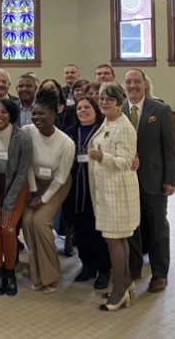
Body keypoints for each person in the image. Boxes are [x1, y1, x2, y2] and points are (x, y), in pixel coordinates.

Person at [122, 68, 175, 293]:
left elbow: (170, 148)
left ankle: (160, 274)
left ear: (145, 84)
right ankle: (134, 267)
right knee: (131, 227)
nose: (133, 86)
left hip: (154, 180)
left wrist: (170, 179)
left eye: (137, 81)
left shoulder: (160, 109)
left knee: (157, 228)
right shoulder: (119, 110)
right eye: (128, 82)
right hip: (127, 180)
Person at [90, 82, 140, 311]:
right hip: (108, 190)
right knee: (119, 239)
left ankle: (119, 291)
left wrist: (103, 158)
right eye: (101, 98)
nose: (103, 102)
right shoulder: (108, 121)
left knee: (114, 240)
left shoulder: (124, 126)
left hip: (119, 191)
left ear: (119, 103)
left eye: (109, 99)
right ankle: (126, 282)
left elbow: (126, 162)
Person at [22, 89, 75, 294]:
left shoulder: (65, 143)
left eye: (42, 114)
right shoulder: (27, 131)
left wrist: (43, 199)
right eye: (34, 113)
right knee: (27, 222)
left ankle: (51, 275)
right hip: (34, 181)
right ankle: (37, 274)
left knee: (40, 222)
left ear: (54, 114)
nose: (36, 118)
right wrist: (34, 191)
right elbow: (26, 164)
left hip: (57, 184)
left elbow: (61, 177)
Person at [0, 97, 32, 296]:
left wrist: (8, 204)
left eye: (3, 112)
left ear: (11, 114)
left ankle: (10, 272)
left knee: (8, 229)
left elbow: (22, 173)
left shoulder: (23, 138)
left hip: (16, 188)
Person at [62, 96, 111, 290]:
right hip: (76, 189)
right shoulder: (70, 132)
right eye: (79, 108)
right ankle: (87, 266)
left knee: (98, 231)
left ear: (96, 109)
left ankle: (104, 270)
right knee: (80, 231)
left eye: (87, 107)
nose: (82, 110)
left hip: (97, 188)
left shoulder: (104, 131)